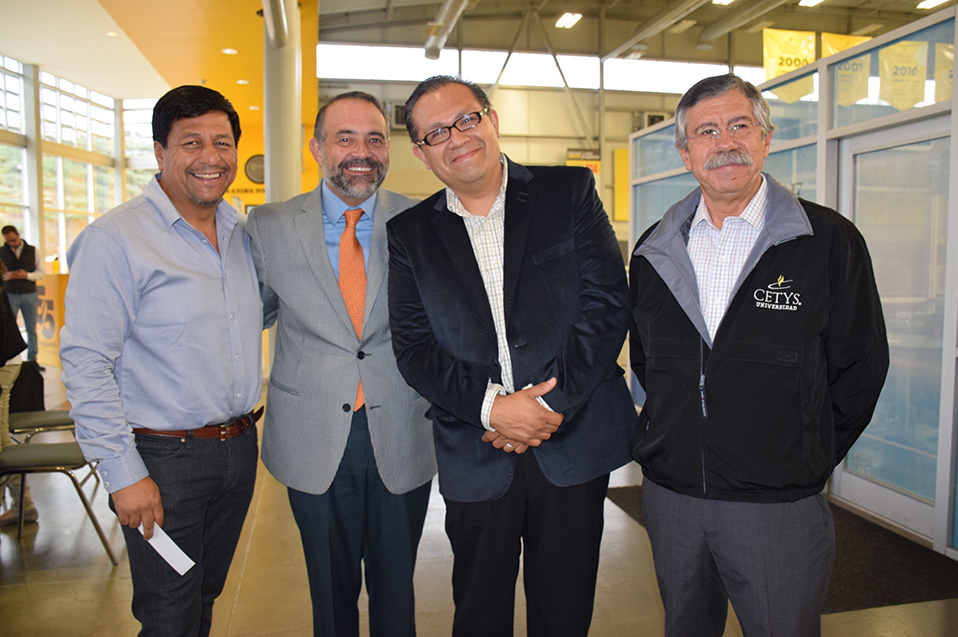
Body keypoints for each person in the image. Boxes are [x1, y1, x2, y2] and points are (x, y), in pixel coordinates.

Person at [629, 74, 890, 636]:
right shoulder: (654, 249)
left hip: (777, 508)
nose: (725, 142)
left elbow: (861, 368)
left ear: (766, 139)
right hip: (674, 500)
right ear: (685, 153)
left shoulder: (828, 241)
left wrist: (803, 455)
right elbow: (650, 364)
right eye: (706, 131)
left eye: (739, 125)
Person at [388, 75, 636, 636]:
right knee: (479, 614)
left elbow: (606, 305)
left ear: (492, 120)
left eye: (466, 119)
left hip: (572, 441)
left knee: (564, 612)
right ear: (421, 153)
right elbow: (415, 348)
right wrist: (494, 409)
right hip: (476, 448)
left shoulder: (568, 191)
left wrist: (544, 409)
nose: (456, 138)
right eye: (435, 133)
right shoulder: (410, 234)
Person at [60, 85, 263, 637]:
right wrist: (122, 474)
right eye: (191, 142)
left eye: (222, 142)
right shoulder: (116, 239)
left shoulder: (240, 234)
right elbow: (87, 362)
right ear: (159, 151)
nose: (210, 157)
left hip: (237, 450)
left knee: (203, 597)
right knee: (169, 613)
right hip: (163, 461)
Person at [245, 92, 435, 637]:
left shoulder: (422, 220)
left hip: (402, 429)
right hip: (312, 435)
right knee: (329, 595)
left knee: (397, 589)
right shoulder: (269, 225)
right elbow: (248, 315)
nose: (362, 152)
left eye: (375, 139)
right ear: (317, 148)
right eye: (345, 138)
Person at [0, 261, 32, 526]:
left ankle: (23, 506)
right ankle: (23, 505)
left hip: (4, 364)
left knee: (1, 443)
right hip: (7, 360)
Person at [1, 225, 45, 367]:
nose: (11, 244)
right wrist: (8, 276)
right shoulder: (1, 252)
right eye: (8, 241)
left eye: (13, 240)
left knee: (31, 328)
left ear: (18, 235)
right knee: (7, 328)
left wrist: (26, 275)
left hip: (29, 294)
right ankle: (10, 360)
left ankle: (32, 360)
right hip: (10, 295)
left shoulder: (33, 251)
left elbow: (41, 272)